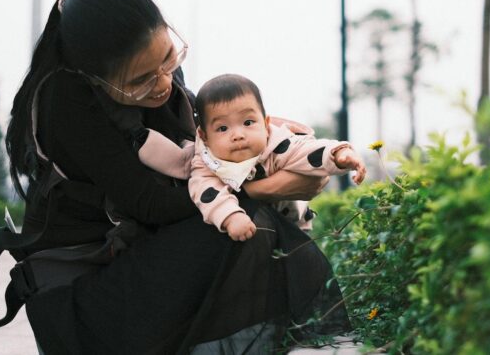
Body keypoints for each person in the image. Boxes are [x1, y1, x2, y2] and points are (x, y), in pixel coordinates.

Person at [1, 0, 349, 354]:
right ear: (94, 77)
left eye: (169, 58)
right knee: (238, 220)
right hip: (83, 302)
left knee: (242, 222)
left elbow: (204, 148)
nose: (164, 82)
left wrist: (264, 133)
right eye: (141, 81)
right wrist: (262, 188)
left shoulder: (162, 80)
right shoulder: (63, 101)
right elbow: (151, 204)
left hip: (136, 262)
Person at [134, 73, 367, 241]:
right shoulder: (207, 163)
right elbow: (206, 192)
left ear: (266, 124)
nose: (238, 135)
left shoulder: (276, 144)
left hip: (294, 228)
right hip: (247, 232)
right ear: (204, 137)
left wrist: (339, 155)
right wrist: (230, 217)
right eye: (222, 129)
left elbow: (307, 150)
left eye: (248, 123)